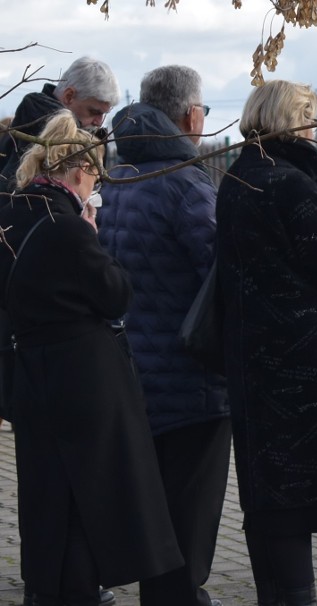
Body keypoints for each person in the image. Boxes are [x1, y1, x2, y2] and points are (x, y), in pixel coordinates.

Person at [0, 110, 184, 605]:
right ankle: (75, 592)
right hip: (81, 381)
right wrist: (94, 236)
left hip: (30, 375)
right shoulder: (69, 227)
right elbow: (115, 294)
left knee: (46, 493)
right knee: (87, 494)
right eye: (95, 174)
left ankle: (44, 589)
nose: (95, 184)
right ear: (78, 170)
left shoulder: (10, 212)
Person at [216, 80, 317, 606]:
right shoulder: (287, 184)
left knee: (268, 494)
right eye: (310, 120)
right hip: (300, 364)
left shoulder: (239, 178)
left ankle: (277, 594)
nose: (315, 131)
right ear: (294, 122)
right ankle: (294, 597)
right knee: (294, 495)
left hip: (254, 354)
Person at [97, 66, 229, 606]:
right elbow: (218, 274)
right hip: (190, 377)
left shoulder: (119, 177)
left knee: (153, 508)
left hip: (135, 371)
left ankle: (164, 592)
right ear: (190, 115)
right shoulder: (187, 183)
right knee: (189, 512)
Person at [0, 56, 119, 195]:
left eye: (103, 114)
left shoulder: (26, 123)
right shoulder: (35, 130)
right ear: (69, 96)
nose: (99, 122)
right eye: (94, 112)